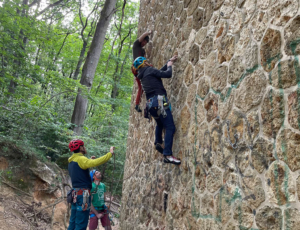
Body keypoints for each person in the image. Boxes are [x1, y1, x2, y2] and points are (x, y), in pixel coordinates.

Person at [133, 56, 181, 165]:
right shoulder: (149, 70)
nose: (149, 62)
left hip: (151, 105)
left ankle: (158, 141)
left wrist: (169, 61)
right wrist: (169, 66)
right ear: (144, 63)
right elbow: (167, 74)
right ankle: (168, 155)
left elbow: (158, 72)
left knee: (160, 123)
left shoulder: (143, 75)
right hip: (159, 102)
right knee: (170, 127)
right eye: (147, 61)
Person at [67, 139, 115, 230]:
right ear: (80, 148)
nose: (84, 147)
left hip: (75, 195)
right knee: (81, 223)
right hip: (84, 195)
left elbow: (80, 173)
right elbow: (96, 162)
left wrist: (89, 161)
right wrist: (110, 154)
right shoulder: (81, 159)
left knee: (73, 222)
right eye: (83, 146)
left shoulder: (71, 161)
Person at [132, 30, 152, 112]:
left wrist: (149, 65)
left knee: (142, 87)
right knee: (141, 86)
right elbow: (143, 35)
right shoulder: (136, 45)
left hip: (141, 68)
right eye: (144, 41)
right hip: (136, 68)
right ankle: (137, 104)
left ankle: (137, 104)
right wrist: (149, 32)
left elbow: (144, 61)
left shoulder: (142, 51)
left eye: (146, 43)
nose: (144, 43)